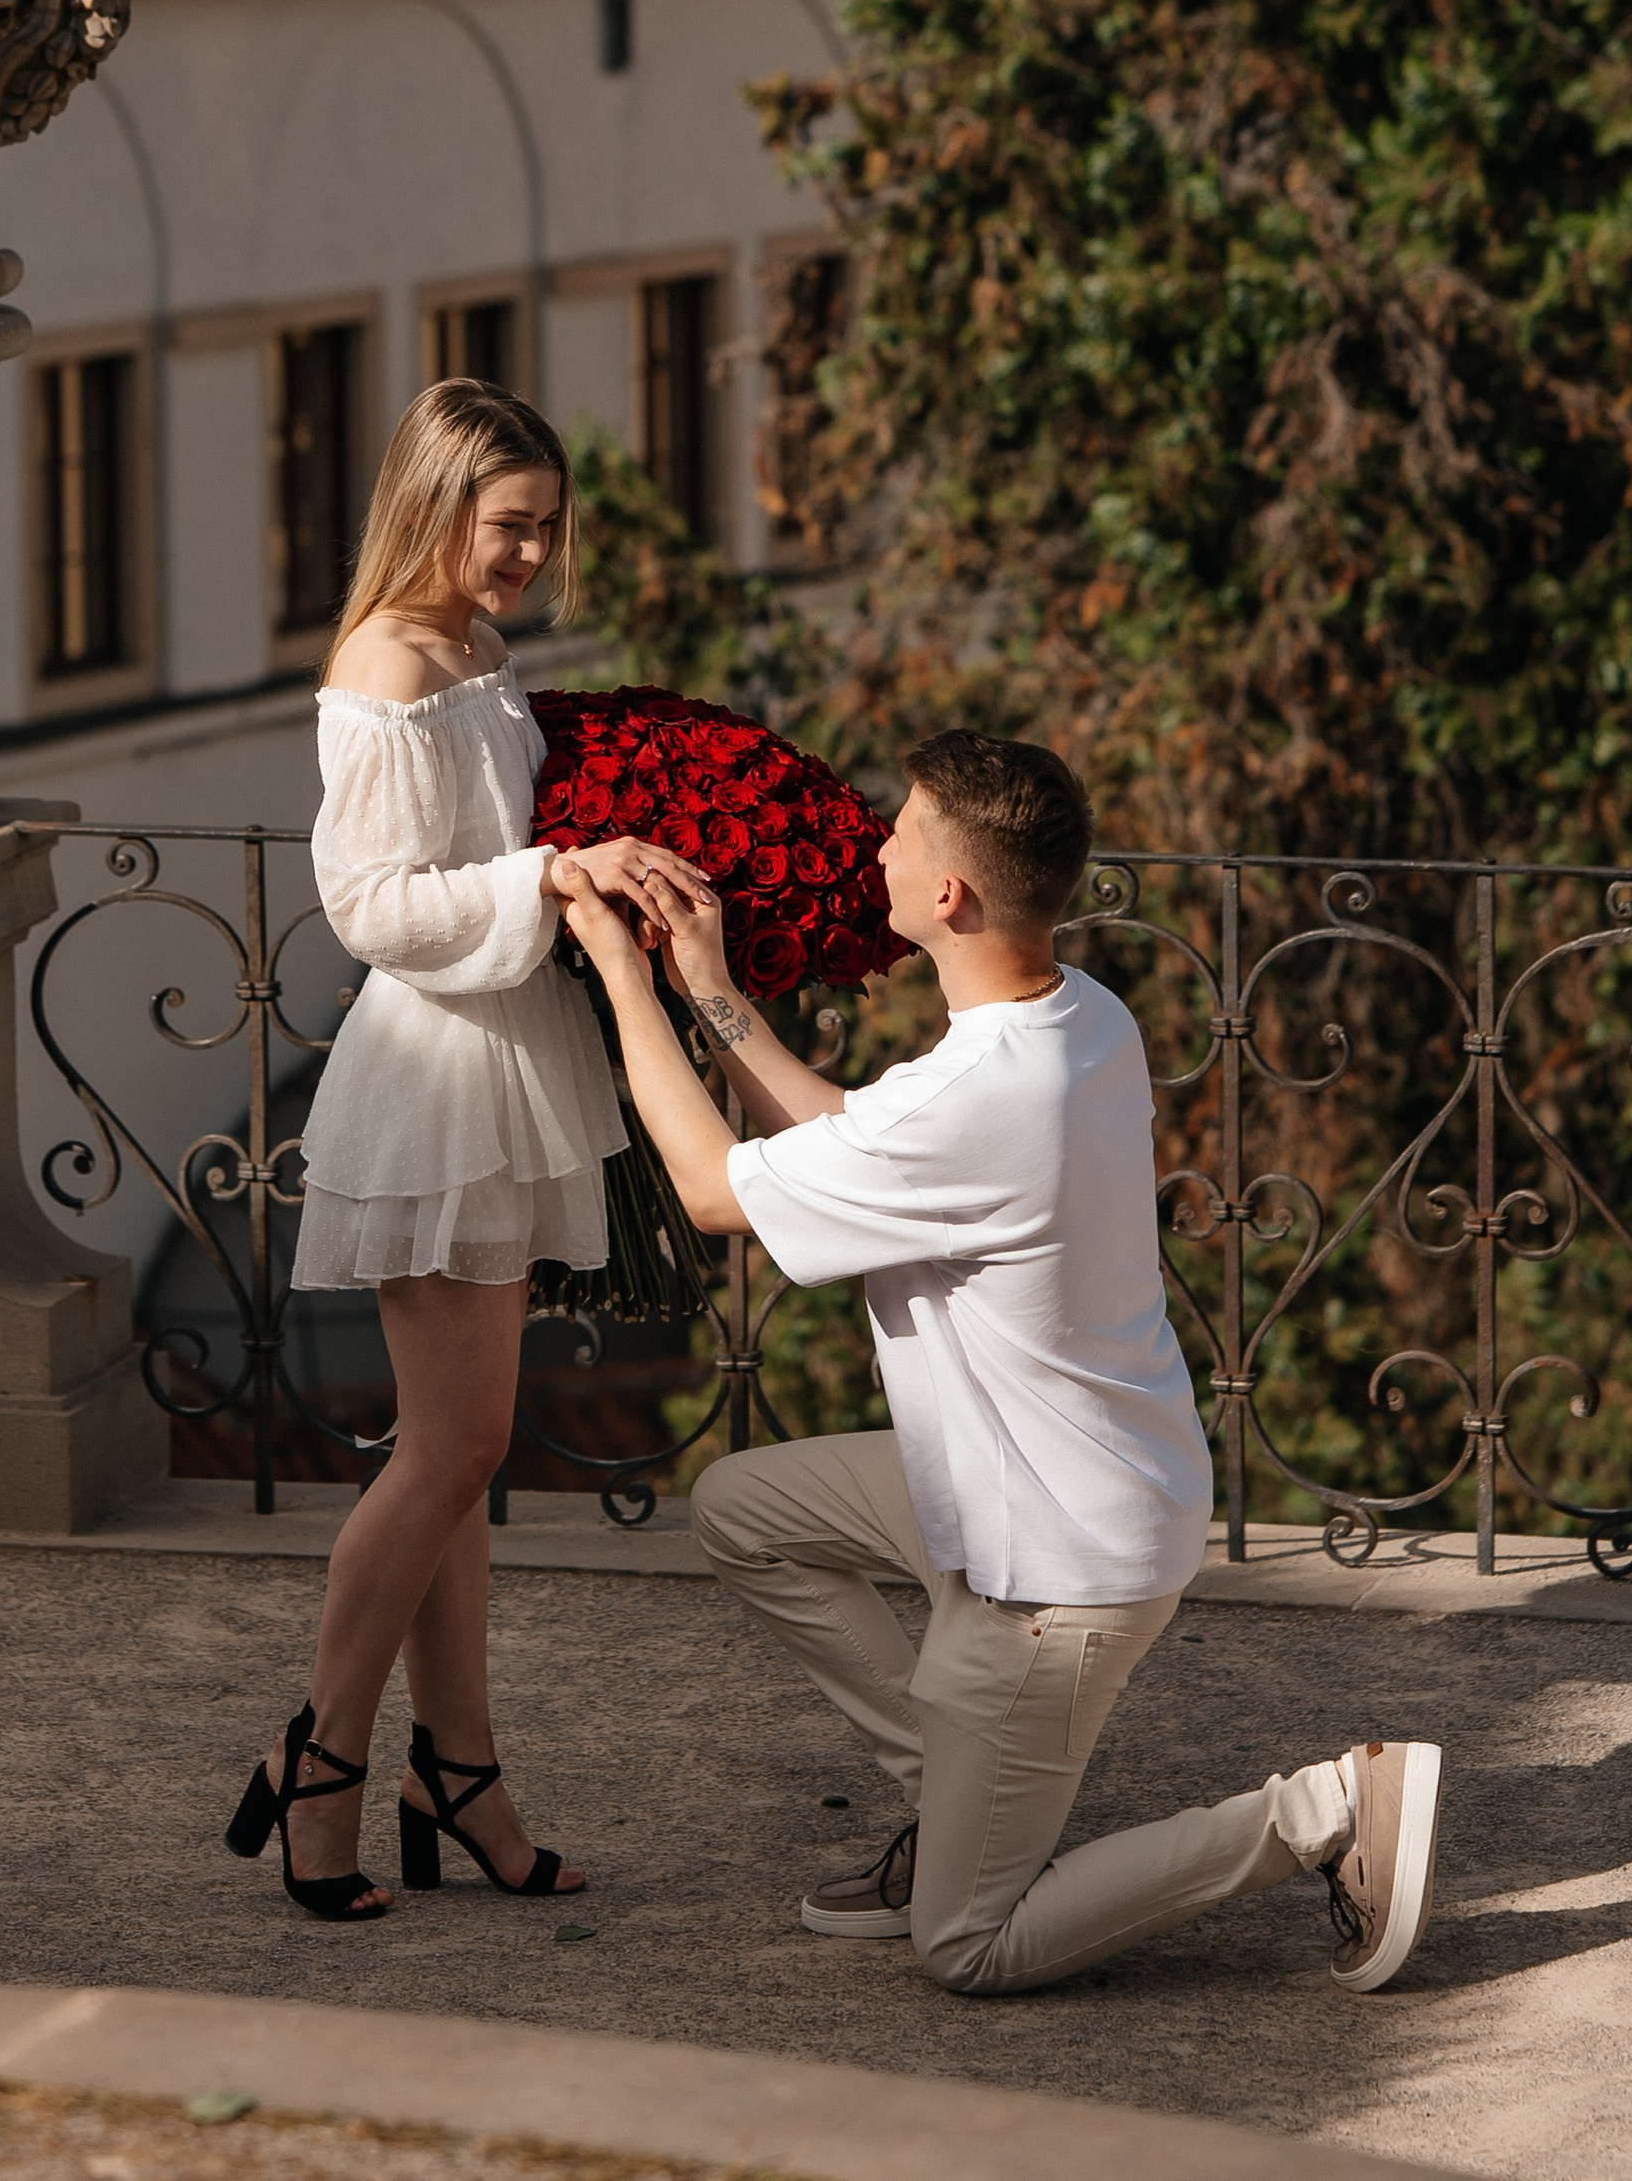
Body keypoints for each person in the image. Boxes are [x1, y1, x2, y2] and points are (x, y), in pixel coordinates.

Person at [563, 725, 1444, 1997]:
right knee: (745, 1508)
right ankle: (955, 1802)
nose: (878, 842)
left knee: (967, 1945)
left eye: (902, 830)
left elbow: (711, 1193)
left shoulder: (981, 1092)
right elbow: (840, 1134)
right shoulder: (1078, 1018)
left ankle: (1321, 1811)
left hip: (1055, 1569)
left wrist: (621, 974)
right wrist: (706, 981)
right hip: (1032, 1487)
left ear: (948, 894)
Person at [226, 379, 716, 1923]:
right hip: (437, 1081)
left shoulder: (480, 654)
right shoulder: (383, 664)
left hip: (499, 1069)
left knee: (463, 1460)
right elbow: (369, 907)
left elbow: (491, 858)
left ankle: (463, 1774)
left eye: (547, 529)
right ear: (436, 507)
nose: (529, 555)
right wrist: (559, 873)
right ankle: (322, 1768)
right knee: (451, 1455)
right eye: (511, 525)